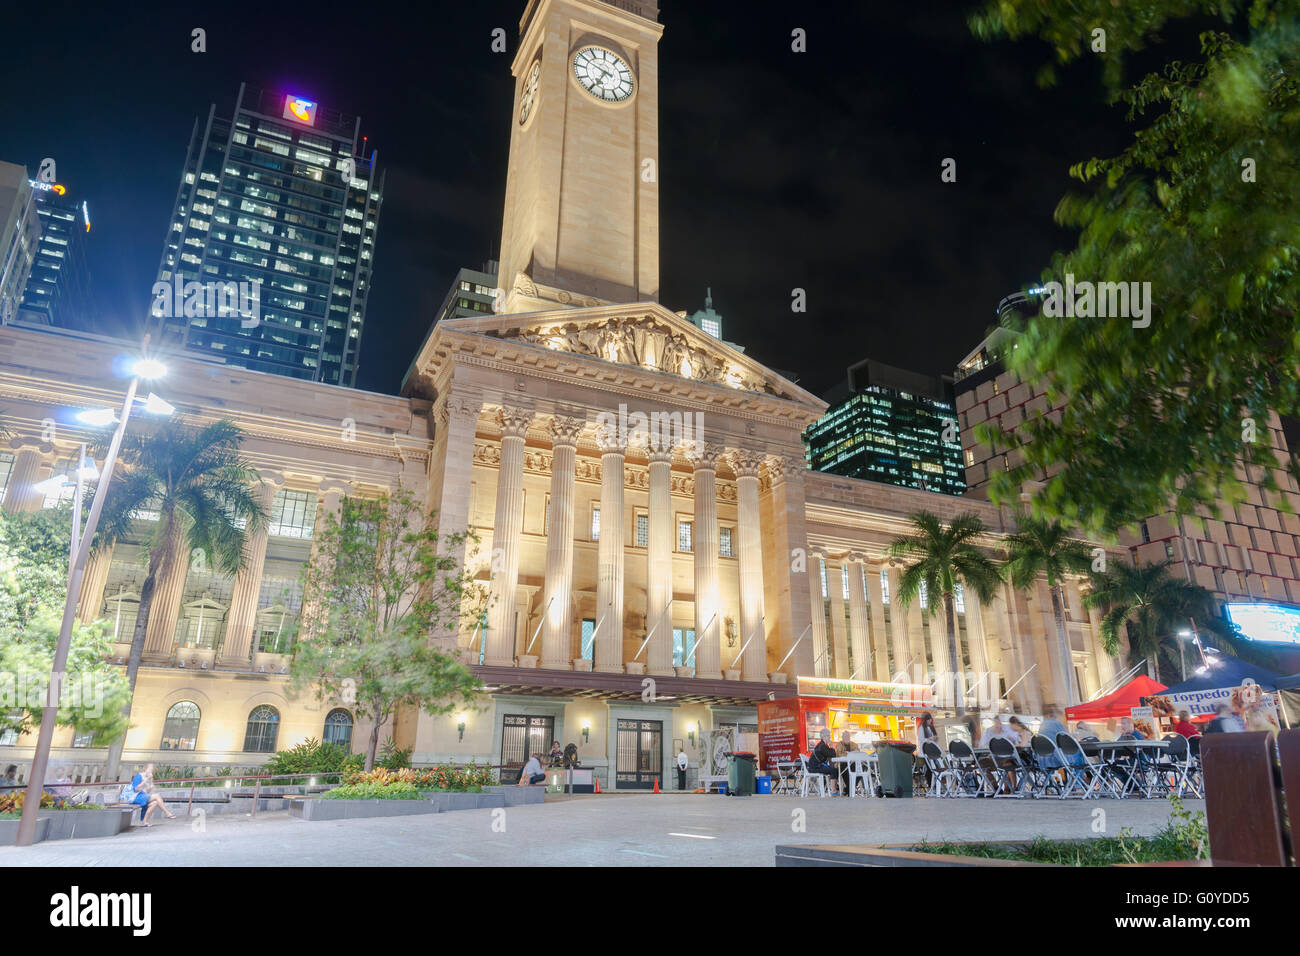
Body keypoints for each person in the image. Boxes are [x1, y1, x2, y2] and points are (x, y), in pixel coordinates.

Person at [807, 729, 838, 794]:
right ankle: (833, 790)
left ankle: (833, 789)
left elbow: (831, 755)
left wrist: (830, 748)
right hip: (815, 768)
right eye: (828, 736)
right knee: (834, 770)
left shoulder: (823, 745)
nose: (829, 738)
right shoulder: (822, 746)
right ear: (824, 737)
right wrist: (832, 746)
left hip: (814, 766)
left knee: (833, 769)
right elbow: (832, 755)